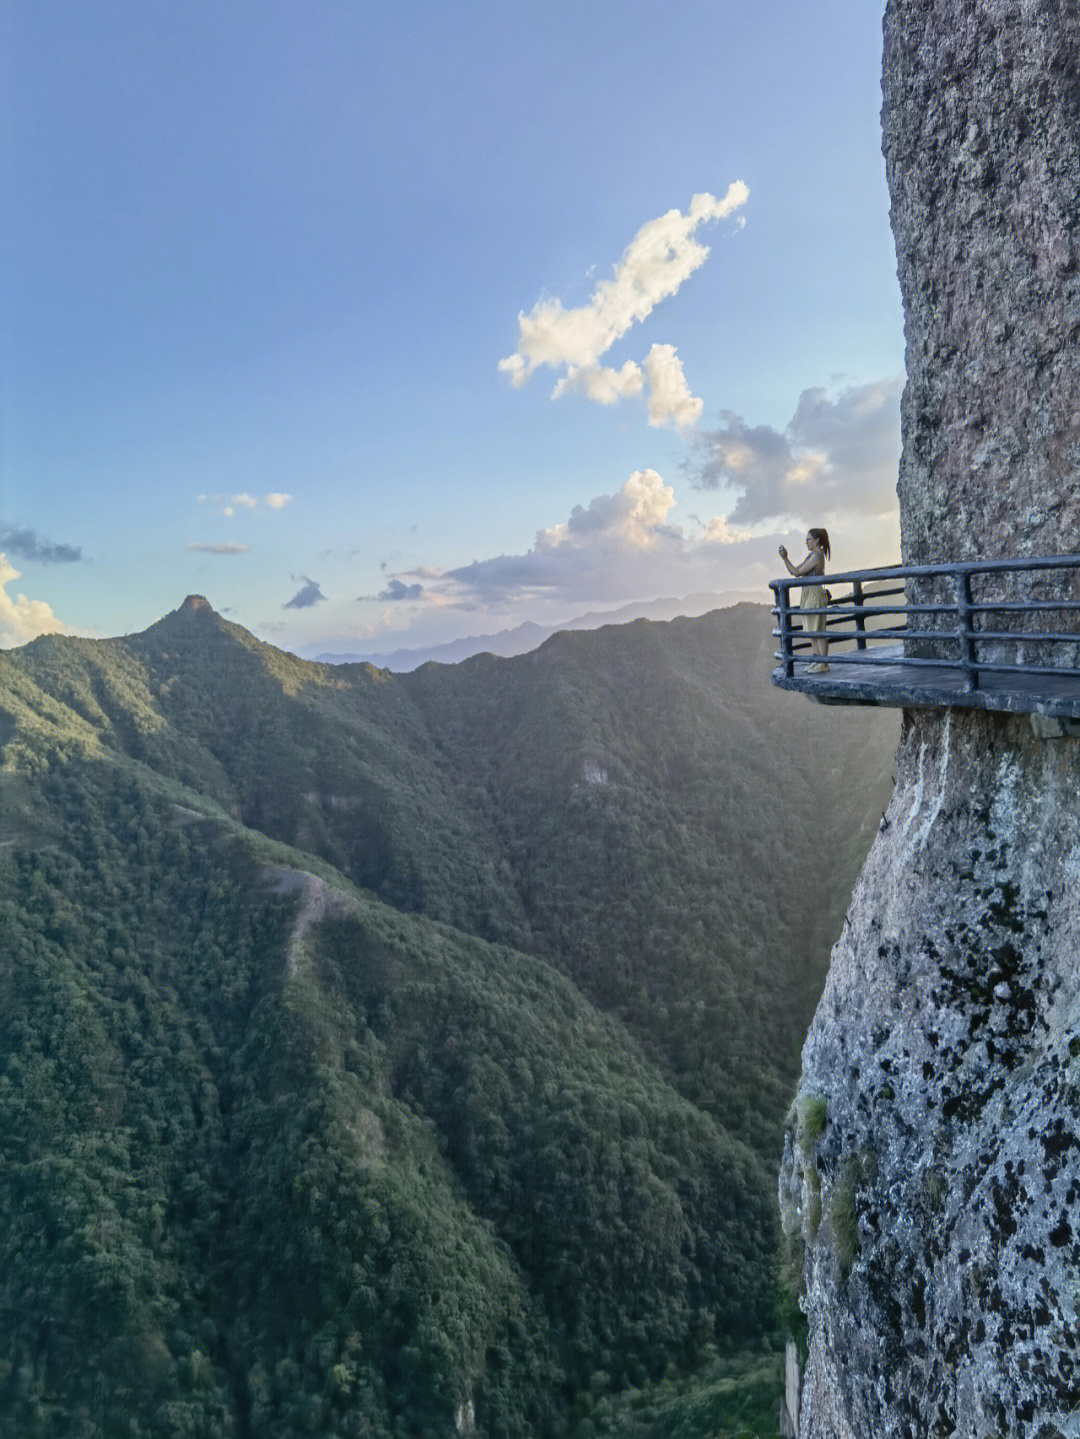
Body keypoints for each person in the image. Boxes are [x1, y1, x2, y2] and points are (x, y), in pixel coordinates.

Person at [778, 529, 831, 672]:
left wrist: (785, 558)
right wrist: (785, 559)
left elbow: (797, 573)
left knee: (818, 630)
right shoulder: (811, 556)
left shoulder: (817, 556)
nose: (806, 542)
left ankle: (824, 663)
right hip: (808, 594)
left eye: (808, 539)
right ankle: (817, 659)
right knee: (811, 630)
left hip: (814, 594)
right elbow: (794, 571)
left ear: (817, 540)